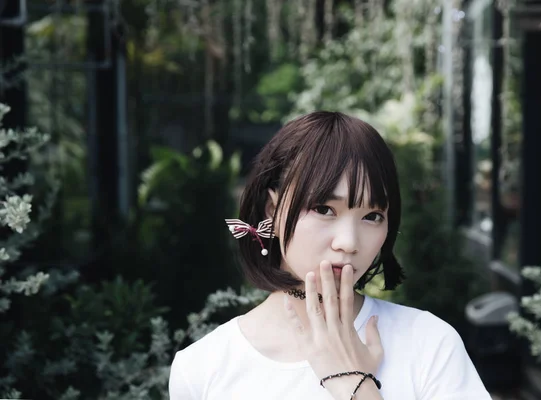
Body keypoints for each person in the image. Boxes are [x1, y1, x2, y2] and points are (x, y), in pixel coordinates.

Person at [169, 111, 493, 400]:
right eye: (325, 209)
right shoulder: (202, 367)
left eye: (372, 216)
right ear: (273, 210)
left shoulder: (429, 345)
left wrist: (356, 386)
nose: (349, 242)